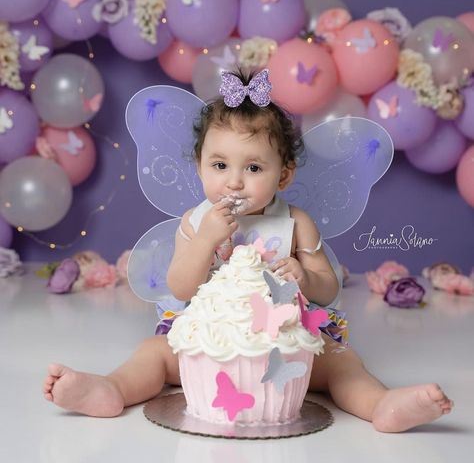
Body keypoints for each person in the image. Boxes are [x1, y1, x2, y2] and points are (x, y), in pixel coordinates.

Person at [43, 70, 453, 432]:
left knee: (340, 361)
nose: (234, 182)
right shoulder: (195, 220)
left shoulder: (296, 222)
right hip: (211, 341)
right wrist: (204, 241)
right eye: (219, 166)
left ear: (284, 175)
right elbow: (181, 287)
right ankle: (110, 390)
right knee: (154, 354)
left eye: (254, 168)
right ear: (200, 166)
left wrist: (306, 277)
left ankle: (381, 405)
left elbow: (327, 289)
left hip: (285, 342)